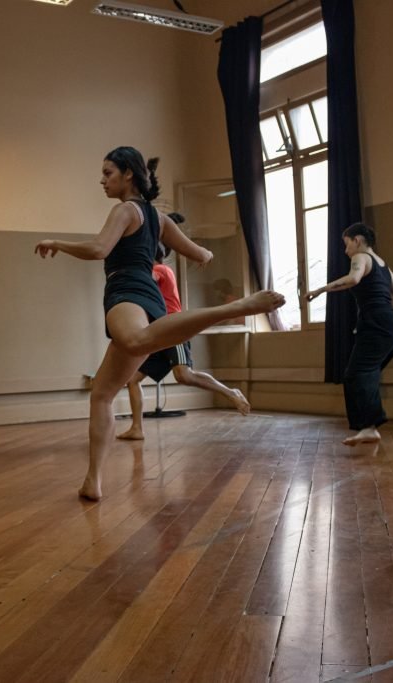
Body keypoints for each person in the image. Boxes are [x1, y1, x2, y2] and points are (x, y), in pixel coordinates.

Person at [34, 147, 285, 500]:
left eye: (108, 173)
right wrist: (204, 254)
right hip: (150, 297)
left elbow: (99, 249)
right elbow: (202, 253)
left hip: (126, 290)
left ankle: (233, 309)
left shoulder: (124, 210)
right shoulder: (159, 219)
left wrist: (57, 242)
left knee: (135, 341)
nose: (102, 180)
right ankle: (93, 480)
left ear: (128, 175)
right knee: (103, 393)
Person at [117, 219, 250, 442]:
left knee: (184, 375)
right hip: (158, 332)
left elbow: (148, 280)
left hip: (174, 328)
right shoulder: (155, 269)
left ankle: (231, 393)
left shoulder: (161, 270)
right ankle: (137, 428)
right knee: (132, 379)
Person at [305, 222, 393, 446]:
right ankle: (369, 427)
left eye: (346, 244)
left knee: (356, 374)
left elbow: (353, 279)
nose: (346, 250)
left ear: (357, 240)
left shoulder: (360, 258)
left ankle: (369, 427)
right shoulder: (384, 265)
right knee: (366, 373)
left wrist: (319, 290)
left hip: (376, 325)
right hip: (392, 327)